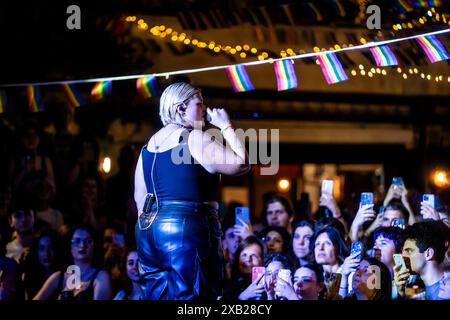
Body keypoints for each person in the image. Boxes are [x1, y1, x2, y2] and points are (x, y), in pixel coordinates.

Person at [134, 82, 249, 300]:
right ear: (180, 108)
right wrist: (226, 127)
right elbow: (240, 163)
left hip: (148, 232)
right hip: (187, 228)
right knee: (196, 298)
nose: (205, 108)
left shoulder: (147, 147)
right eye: (200, 103)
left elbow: (139, 198)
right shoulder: (192, 137)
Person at [33, 225, 112, 300]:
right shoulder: (58, 277)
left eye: (88, 241)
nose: (82, 245)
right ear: (70, 246)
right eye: (77, 241)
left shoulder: (101, 277)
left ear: (95, 245)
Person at [393, 221, 446, 300]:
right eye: (402, 252)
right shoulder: (411, 286)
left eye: (409, 251)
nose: (403, 256)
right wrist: (401, 293)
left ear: (428, 253)